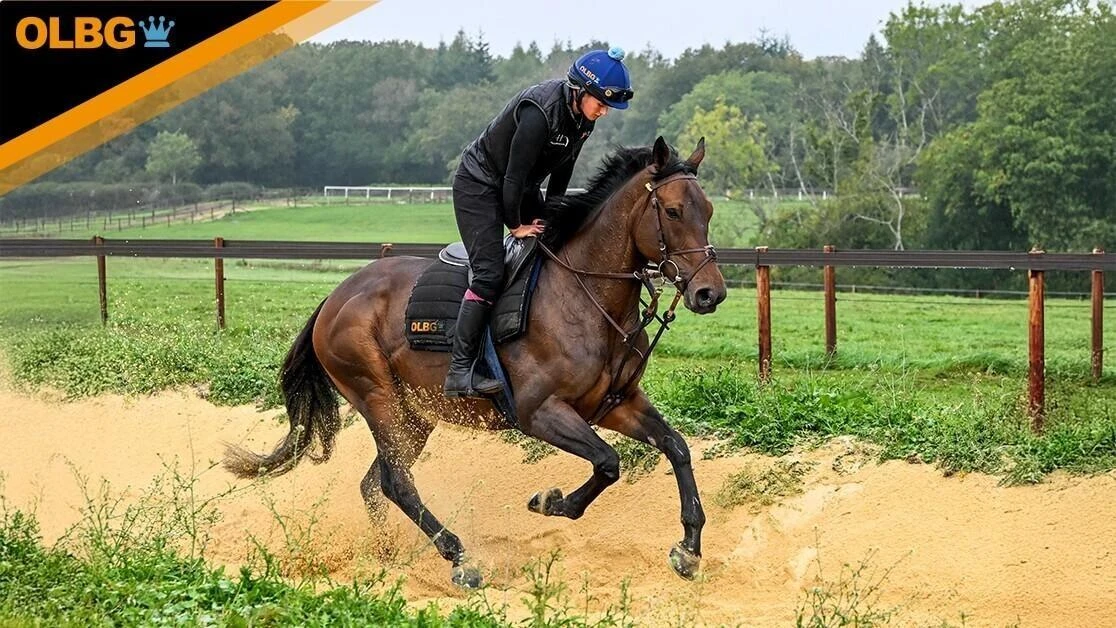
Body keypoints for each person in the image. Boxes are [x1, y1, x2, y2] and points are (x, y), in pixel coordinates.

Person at [444, 46, 635, 398]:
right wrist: (516, 225)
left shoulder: (582, 120)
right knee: (489, 273)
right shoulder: (538, 112)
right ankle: (459, 370)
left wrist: (554, 218)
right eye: (601, 103)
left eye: (608, 106)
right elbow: (512, 177)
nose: (604, 111)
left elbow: (561, 173)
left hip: (520, 186)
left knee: (552, 247)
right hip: (481, 185)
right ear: (580, 91)